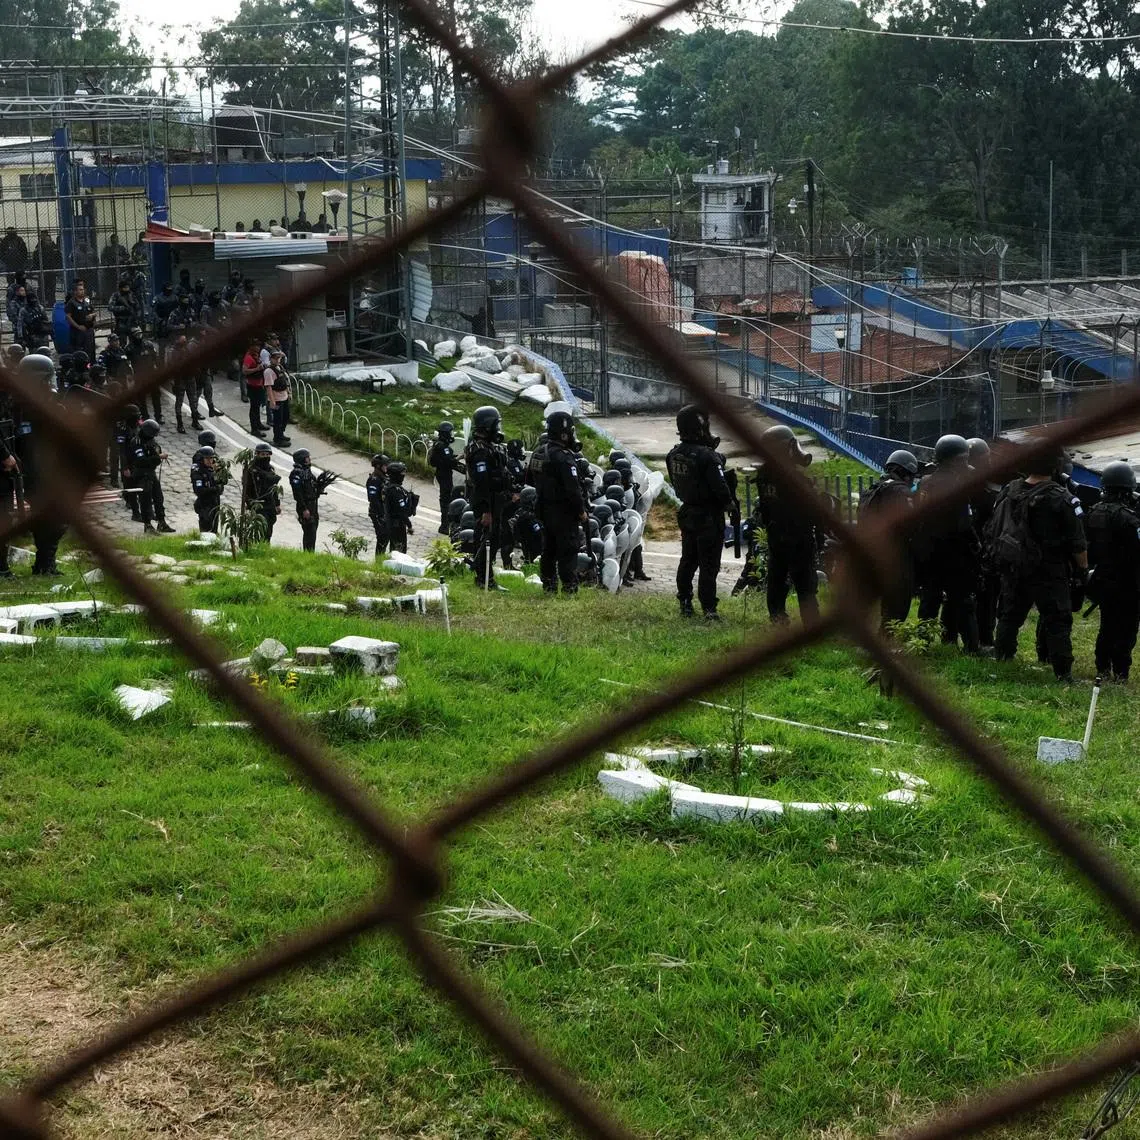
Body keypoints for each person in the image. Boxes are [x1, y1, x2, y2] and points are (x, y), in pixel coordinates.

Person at [991, 448, 1088, 682]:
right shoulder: (1062, 498)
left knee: (1010, 615)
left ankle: (1003, 658)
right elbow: (1078, 544)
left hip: (1014, 564)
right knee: (1057, 621)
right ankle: (1063, 674)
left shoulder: (1010, 489)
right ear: (1055, 467)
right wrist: (1082, 571)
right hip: (1049, 570)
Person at [666, 405, 735, 620]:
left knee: (688, 560)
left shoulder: (674, 455)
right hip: (708, 516)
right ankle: (709, 609)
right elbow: (721, 490)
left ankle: (685, 602)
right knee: (708, 565)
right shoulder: (708, 457)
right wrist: (730, 505)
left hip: (687, 512)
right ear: (699, 428)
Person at [915, 434, 982, 654]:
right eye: (963, 458)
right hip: (955, 552)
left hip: (930, 551)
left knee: (929, 601)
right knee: (963, 601)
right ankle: (972, 647)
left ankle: (921, 644)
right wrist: (976, 545)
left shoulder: (926, 482)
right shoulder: (957, 485)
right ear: (954, 459)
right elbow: (964, 523)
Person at [752, 424, 818, 626]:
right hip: (798, 537)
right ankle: (811, 624)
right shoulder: (797, 480)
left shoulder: (764, 476)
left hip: (776, 534)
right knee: (805, 582)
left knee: (777, 578)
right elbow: (813, 512)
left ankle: (777, 617)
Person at [1086, 461, 1140, 683]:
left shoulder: (1093, 512)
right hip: (1128, 582)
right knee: (1126, 629)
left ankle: (1102, 667)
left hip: (1102, 578)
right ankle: (1120, 671)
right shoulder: (1129, 519)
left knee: (1106, 625)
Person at [859, 449, 918, 627]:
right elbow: (911, 525)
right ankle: (889, 638)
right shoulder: (900, 492)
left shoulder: (874, 489)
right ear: (906, 473)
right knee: (898, 599)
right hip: (895, 553)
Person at [537, 410, 585, 594]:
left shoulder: (540, 453)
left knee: (548, 550)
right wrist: (581, 512)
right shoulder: (564, 457)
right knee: (568, 551)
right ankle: (569, 587)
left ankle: (548, 586)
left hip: (544, 511)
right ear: (564, 433)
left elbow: (530, 480)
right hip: (564, 514)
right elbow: (573, 490)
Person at [465, 405, 510, 589]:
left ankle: (486, 576)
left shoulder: (489, 447)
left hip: (495, 500)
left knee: (495, 539)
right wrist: (486, 510)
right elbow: (482, 482)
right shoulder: (480, 451)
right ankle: (484, 579)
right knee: (487, 540)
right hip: (486, 502)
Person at [132, 418, 175, 534]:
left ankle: (161, 522)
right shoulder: (137, 443)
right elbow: (141, 461)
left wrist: (157, 457)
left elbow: (155, 452)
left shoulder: (151, 441)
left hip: (151, 472)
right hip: (141, 474)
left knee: (158, 498)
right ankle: (147, 525)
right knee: (145, 500)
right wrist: (158, 457)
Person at [429, 421, 465, 534]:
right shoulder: (442, 446)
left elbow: (448, 458)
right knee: (446, 500)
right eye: (451, 432)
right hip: (444, 475)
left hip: (442, 474)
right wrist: (460, 457)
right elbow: (449, 461)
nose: (452, 434)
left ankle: (445, 525)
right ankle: (444, 526)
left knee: (447, 499)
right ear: (446, 433)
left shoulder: (440, 445)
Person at [242, 442, 281, 543]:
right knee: (261, 530)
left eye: (267, 454)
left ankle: (265, 547)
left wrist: (277, 504)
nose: (265, 457)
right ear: (257, 454)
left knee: (269, 529)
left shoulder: (270, 469)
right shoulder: (251, 470)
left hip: (270, 504)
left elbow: (274, 489)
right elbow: (246, 489)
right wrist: (249, 503)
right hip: (258, 504)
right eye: (263, 454)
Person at [289, 449, 322, 552]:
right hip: (305, 506)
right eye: (307, 457)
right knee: (309, 531)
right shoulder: (296, 474)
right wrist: (304, 509)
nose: (309, 459)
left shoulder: (307, 472)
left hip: (313, 505)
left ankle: (310, 552)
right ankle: (307, 553)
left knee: (313, 530)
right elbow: (297, 493)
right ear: (303, 459)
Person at [384, 461, 417, 553]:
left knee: (395, 549)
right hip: (396, 526)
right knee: (399, 552)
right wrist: (409, 525)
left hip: (392, 524)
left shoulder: (389, 486)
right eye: (402, 474)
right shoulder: (395, 491)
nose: (403, 476)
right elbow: (401, 511)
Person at [510, 485, 544, 563]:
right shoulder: (528, 516)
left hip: (527, 546)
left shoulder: (520, 512)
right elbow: (539, 532)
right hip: (534, 550)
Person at [265, 351, 291, 445]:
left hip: (284, 397)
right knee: (278, 419)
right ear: (271, 359)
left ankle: (281, 433)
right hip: (276, 399)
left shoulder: (280, 367)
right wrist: (272, 402)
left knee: (285, 417)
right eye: (275, 358)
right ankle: (277, 438)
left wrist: (288, 393)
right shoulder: (269, 371)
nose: (277, 360)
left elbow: (284, 381)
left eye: (278, 358)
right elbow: (269, 387)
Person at [366, 453, 390, 557]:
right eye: (385, 465)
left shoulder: (384, 478)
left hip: (384, 512)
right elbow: (373, 499)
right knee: (382, 537)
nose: (387, 467)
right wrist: (381, 515)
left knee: (386, 537)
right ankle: (378, 561)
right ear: (378, 466)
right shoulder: (374, 480)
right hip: (377, 513)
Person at [64, 278, 96, 356]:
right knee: (79, 352)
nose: (82, 291)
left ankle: (90, 365)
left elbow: (94, 312)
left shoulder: (87, 301)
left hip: (89, 330)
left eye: (83, 289)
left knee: (90, 350)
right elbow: (68, 317)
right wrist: (78, 326)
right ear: (75, 291)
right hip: (78, 332)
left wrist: (92, 316)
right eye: (80, 290)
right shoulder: (71, 303)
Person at [242, 336, 266, 428]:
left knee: (258, 405)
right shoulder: (248, 357)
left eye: (259, 346)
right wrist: (256, 369)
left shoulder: (256, 355)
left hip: (259, 384)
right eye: (256, 346)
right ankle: (254, 428)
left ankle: (258, 423)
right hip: (252, 385)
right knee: (254, 407)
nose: (258, 347)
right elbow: (244, 370)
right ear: (251, 346)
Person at [32, 231, 60, 305]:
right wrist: (38, 268)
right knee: (42, 287)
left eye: (50, 240)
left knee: (52, 288)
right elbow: (35, 259)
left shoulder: (54, 248)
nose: (49, 241)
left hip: (52, 270)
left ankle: (51, 302)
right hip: (43, 270)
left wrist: (56, 268)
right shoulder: (39, 248)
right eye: (47, 240)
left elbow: (58, 258)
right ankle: (42, 302)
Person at [153, 282, 177, 361]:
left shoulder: (174, 297)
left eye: (170, 290)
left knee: (174, 345)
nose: (169, 291)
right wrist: (159, 321)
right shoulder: (157, 298)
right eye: (167, 290)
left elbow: (178, 309)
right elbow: (153, 311)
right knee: (162, 346)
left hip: (172, 323)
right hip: (162, 324)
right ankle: (161, 365)